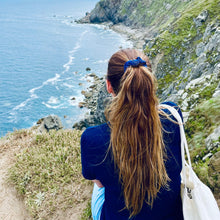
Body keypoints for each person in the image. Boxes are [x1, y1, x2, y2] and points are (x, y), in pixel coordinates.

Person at [81, 49, 184, 220]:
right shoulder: (173, 116)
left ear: (108, 86)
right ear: (148, 81)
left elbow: (99, 183)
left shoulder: (92, 138)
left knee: (99, 186)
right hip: (170, 215)